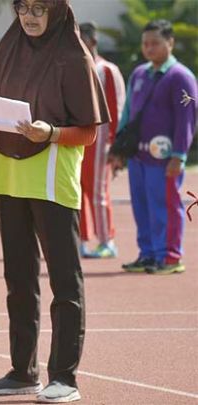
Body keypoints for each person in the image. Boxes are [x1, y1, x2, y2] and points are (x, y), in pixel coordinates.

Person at [0, 1, 109, 403]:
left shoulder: (73, 56)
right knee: (18, 277)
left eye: (38, 9)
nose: (29, 17)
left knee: (64, 279)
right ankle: (22, 371)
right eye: (23, 7)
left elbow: (88, 133)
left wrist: (50, 133)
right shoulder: (7, 46)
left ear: (56, 11)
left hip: (51, 177)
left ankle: (64, 377)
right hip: (7, 173)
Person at [110, 19, 197, 275]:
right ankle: (147, 254)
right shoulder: (138, 74)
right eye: (145, 43)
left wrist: (179, 155)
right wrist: (118, 149)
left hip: (164, 158)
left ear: (170, 42)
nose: (149, 48)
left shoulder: (182, 78)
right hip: (138, 155)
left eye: (155, 43)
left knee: (165, 207)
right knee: (142, 206)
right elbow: (127, 113)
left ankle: (169, 256)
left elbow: (187, 119)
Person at [77, 22, 126, 259]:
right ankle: (80, 240)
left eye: (81, 40)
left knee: (98, 192)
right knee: (74, 192)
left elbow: (117, 109)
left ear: (93, 42)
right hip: (77, 140)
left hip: (100, 142)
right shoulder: (75, 68)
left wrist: (116, 145)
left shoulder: (107, 70)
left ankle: (107, 240)